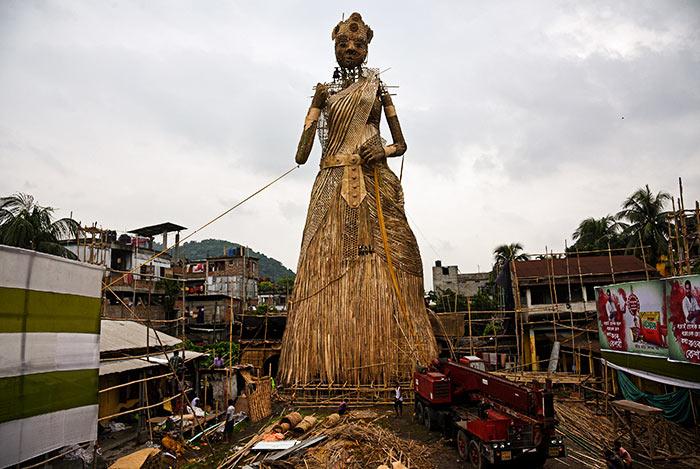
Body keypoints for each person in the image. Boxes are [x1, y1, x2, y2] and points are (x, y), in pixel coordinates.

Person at [279, 12, 437, 387]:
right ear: (333, 48)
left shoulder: (378, 89)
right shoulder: (327, 92)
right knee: (321, 263)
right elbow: (301, 155)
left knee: (401, 256)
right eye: (342, 44)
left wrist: (382, 149)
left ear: (368, 48)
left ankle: (397, 355)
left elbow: (401, 143)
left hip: (373, 179)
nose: (350, 49)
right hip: (331, 180)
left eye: (358, 44)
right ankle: (317, 360)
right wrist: (315, 105)